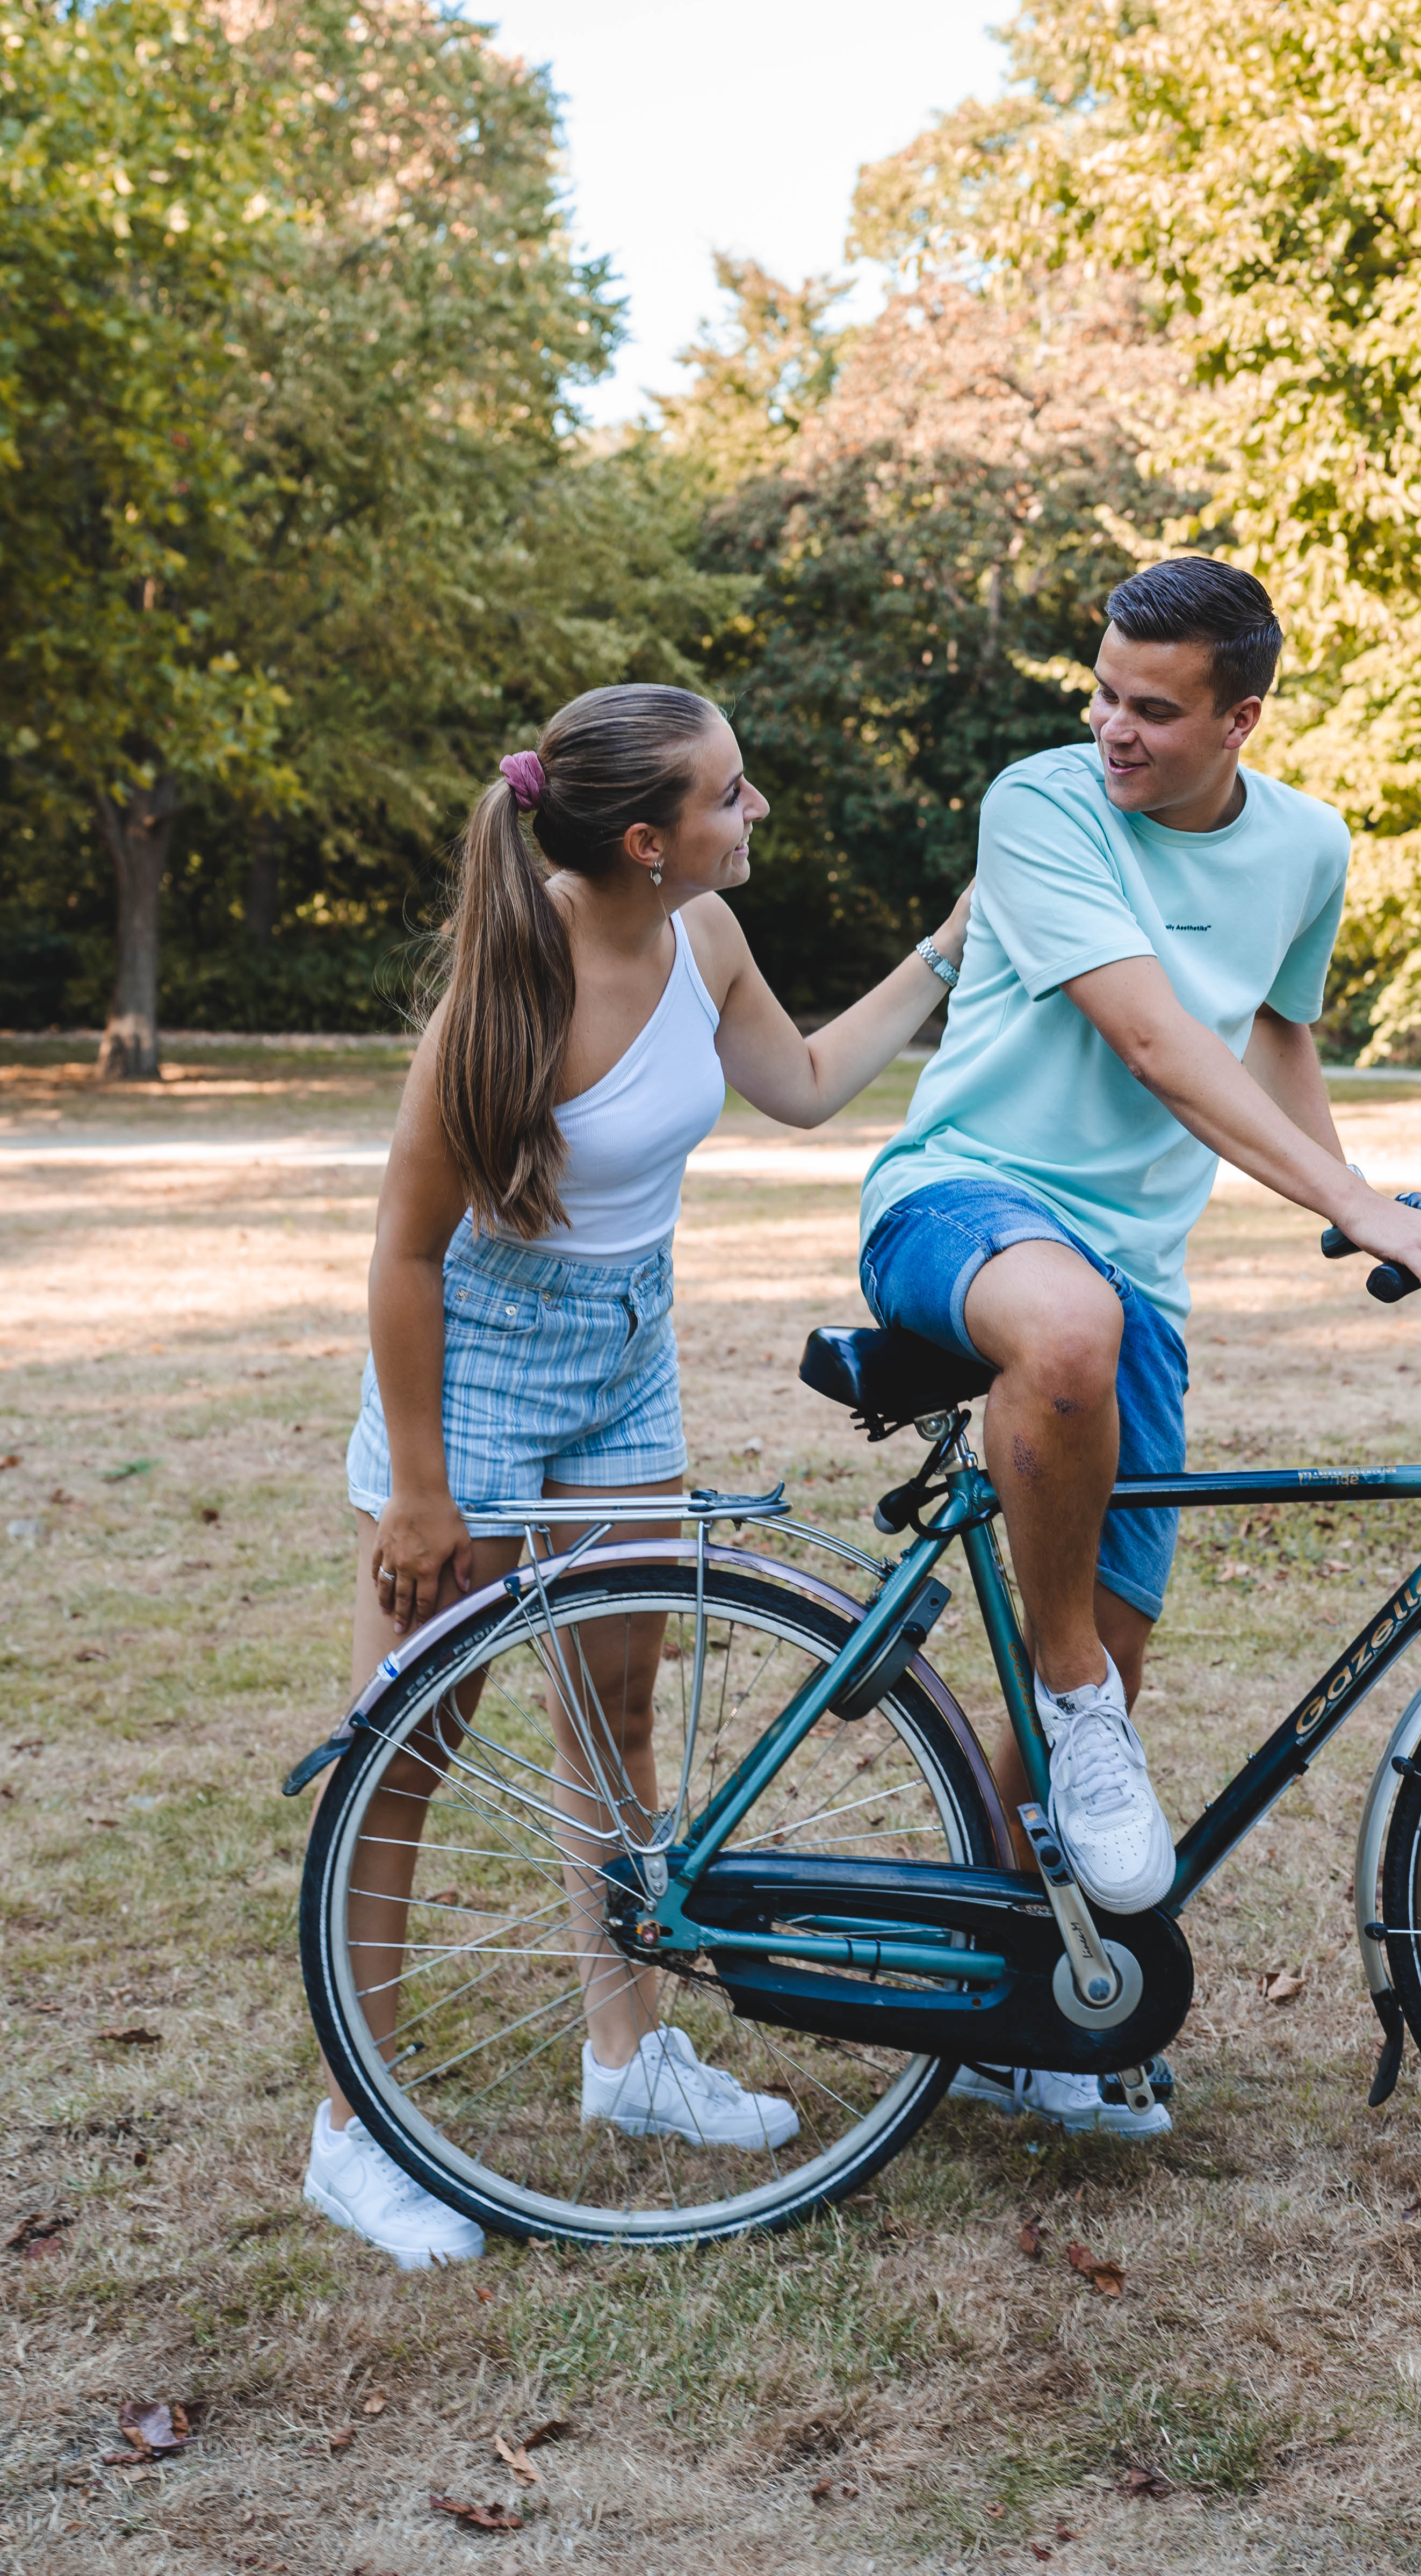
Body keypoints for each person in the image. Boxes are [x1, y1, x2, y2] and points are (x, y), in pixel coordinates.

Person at [305, 681, 972, 2268]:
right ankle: (352, 2133)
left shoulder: (705, 937)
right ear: (643, 840)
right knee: (405, 1750)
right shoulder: (508, 989)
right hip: (472, 1373)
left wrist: (951, 947)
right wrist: (420, 1491)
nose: (757, 812)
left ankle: (629, 2055)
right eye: (730, 795)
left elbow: (802, 1083)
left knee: (615, 1716)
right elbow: (403, 1253)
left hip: (623, 1358)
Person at [856, 555, 1421, 2138]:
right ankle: (1074, 1699)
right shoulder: (1043, 803)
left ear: (1241, 720)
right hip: (959, 1204)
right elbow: (1153, 1039)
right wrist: (1350, 1196)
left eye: (1152, 708)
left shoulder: (1307, 845)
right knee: (1068, 1376)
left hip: (1136, 1274)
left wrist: (1359, 1205)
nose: (1113, 730)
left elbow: (1279, 1032)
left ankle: (1016, 2006)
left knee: (1114, 1637)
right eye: (1102, 694)